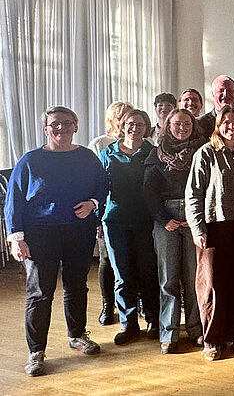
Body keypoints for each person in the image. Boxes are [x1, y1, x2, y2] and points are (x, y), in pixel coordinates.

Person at [5, 106, 109, 377]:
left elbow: (102, 186)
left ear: (76, 126)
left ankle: (77, 335)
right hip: (40, 234)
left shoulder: (87, 157)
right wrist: (17, 237)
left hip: (78, 231)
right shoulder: (30, 160)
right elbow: (13, 200)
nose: (60, 128)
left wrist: (93, 203)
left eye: (66, 123)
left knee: (77, 287)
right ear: (46, 129)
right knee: (40, 293)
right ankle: (36, 351)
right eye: (54, 124)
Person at [186, 105, 234, 360]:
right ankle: (212, 339)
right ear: (218, 126)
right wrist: (198, 228)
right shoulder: (206, 153)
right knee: (213, 284)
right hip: (215, 225)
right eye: (226, 122)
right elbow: (193, 195)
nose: (232, 127)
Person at [143, 108, 206, 354]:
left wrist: (197, 217)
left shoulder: (203, 151)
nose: (182, 128)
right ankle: (168, 333)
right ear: (168, 126)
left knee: (193, 278)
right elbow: (148, 192)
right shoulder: (156, 154)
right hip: (165, 219)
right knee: (168, 279)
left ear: (194, 126)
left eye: (187, 124)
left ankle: (195, 329)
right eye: (177, 124)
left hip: (194, 217)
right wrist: (164, 219)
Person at [100, 109, 160, 345]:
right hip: (115, 221)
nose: (135, 128)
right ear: (122, 126)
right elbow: (99, 188)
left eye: (141, 124)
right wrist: (97, 220)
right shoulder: (108, 153)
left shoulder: (152, 153)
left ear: (147, 128)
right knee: (122, 275)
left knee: (147, 271)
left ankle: (153, 319)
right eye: (131, 124)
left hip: (146, 220)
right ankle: (129, 323)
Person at [87, 100, 133, 327]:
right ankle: (108, 304)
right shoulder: (99, 145)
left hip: (134, 213)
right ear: (111, 120)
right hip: (107, 213)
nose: (123, 121)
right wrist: (96, 218)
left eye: (128, 116)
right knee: (107, 259)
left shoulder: (140, 143)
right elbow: (92, 184)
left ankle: (135, 303)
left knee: (132, 259)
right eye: (119, 116)